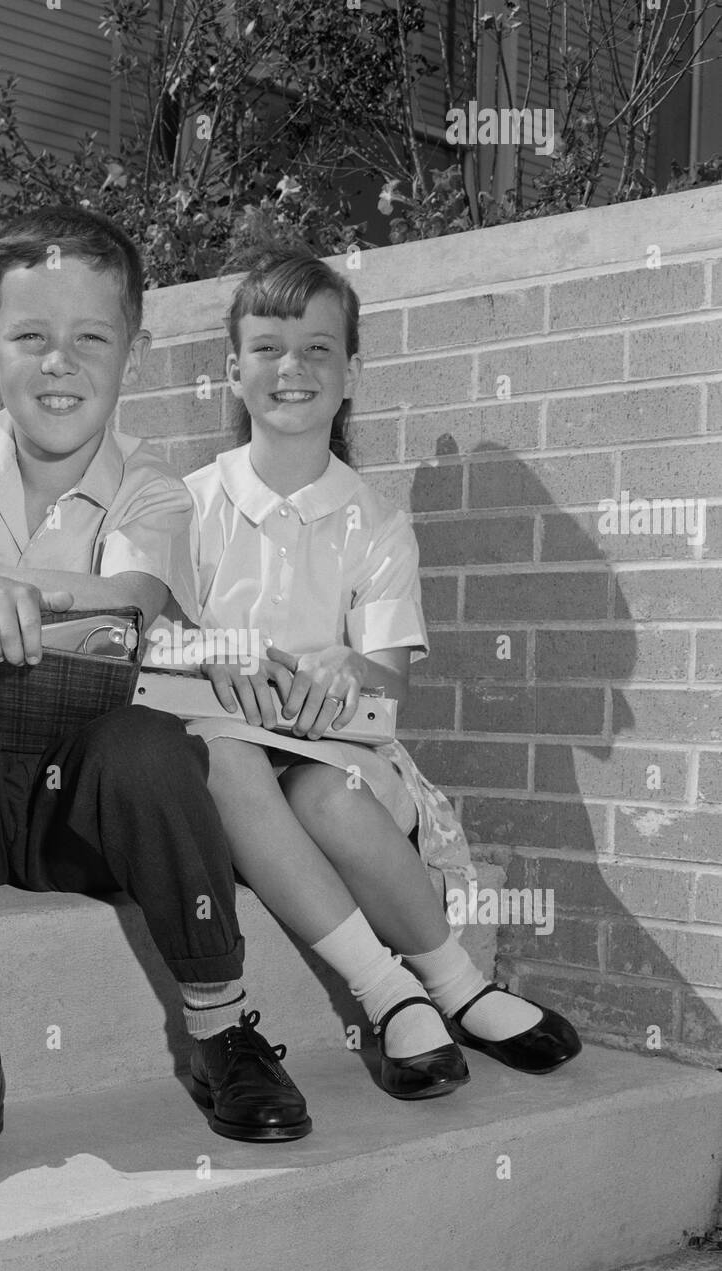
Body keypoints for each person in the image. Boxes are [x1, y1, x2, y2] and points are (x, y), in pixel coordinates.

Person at [0, 208, 312, 1180]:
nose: (61, 363)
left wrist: (5, 589)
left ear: (131, 348)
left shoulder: (151, 487)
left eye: (91, 336)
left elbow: (135, 607)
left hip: (72, 808)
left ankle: (222, 1033)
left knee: (153, 742)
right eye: (30, 337)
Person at [154, 248, 581, 1100]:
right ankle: (390, 994)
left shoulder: (376, 524)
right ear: (233, 370)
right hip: (217, 769)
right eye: (268, 347)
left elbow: (388, 688)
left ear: (350, 372)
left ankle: (460, 989)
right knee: (226, 755)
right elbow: (149, 641)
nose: (292, 368)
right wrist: (212, 650)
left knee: (326, 790)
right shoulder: (183, 505)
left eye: (318, 349)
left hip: (336, 760)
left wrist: (344, 663)